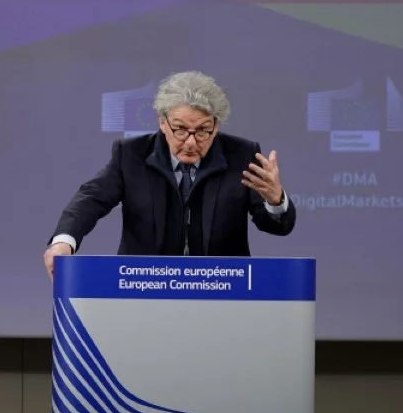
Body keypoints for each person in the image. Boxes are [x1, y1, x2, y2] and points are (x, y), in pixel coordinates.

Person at [44, 70, 296, 278]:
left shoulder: (241, 155)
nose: (190, 142)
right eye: (180, 129)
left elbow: (276, 227)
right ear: (162, 122)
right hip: (144, 285)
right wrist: (63, 242)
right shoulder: (131, 155)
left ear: (217, 125)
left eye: (202, 131)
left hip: (221, 286)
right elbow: (90, 200)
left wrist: (275, 201)